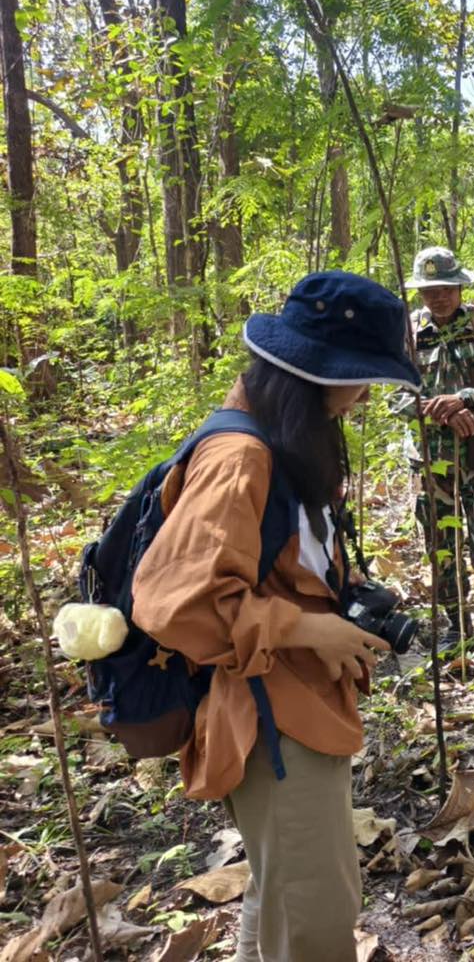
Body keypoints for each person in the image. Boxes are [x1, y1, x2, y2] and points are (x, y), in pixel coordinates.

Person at [131, 271, 422, 961]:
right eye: (358, 379)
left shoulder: (286, 438)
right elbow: (172, 600)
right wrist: (304, 627)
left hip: (296, 703)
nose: (362, 397)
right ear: (308, 375)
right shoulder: (241, 458)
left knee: (283, 896)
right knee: (315, 915)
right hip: (268, 715)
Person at [395, 246, 474, 648]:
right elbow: (395, 397)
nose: (439, 296)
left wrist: (467, 399)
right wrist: (441, 412)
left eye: (446, 287)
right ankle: (457, 629)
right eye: (429, 288)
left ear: (459, 287)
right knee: (441, 549)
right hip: (431, 463)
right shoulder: (408, 334)